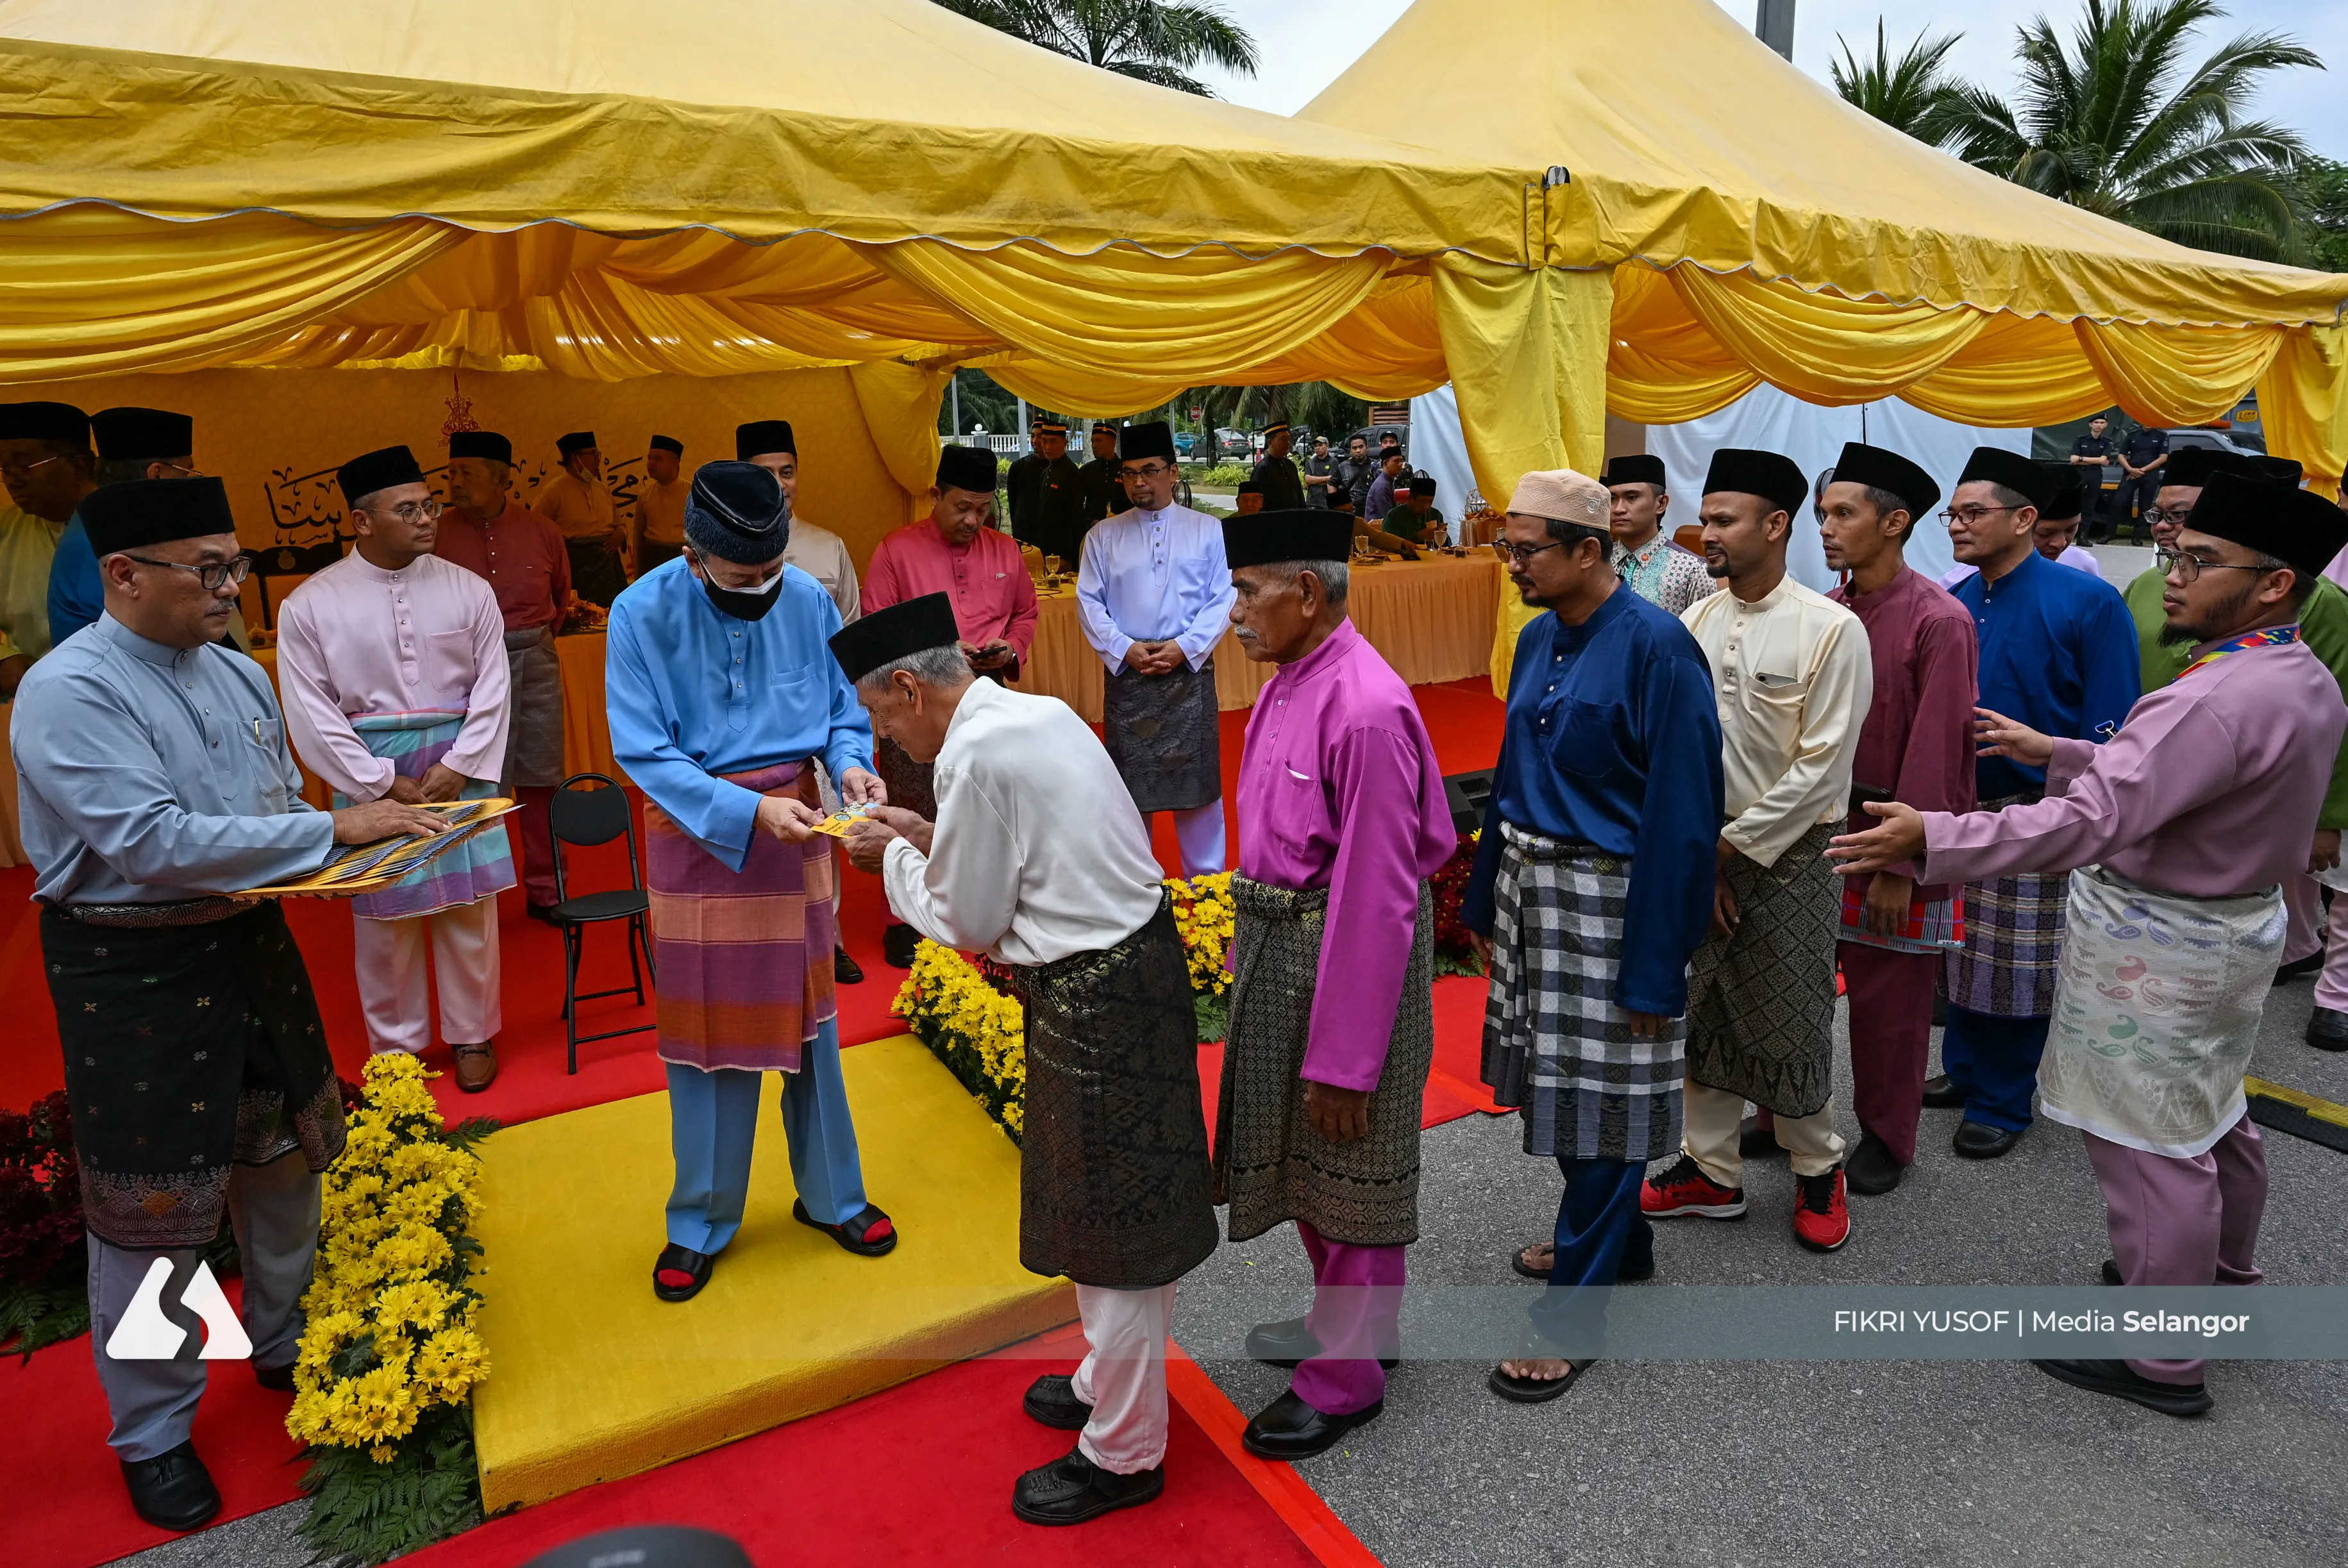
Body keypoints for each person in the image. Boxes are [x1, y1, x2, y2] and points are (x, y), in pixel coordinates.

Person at [1832, 469, 2348, 1418]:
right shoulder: (2293, 671)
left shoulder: (2211, 695)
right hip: (2228, 928)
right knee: (2208, 1117)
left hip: (2165, 937)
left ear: (2274, 582)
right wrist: (2059, 748)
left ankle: (2162, 1357)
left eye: (2198, 559)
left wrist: (1935, 835)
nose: (2173, 577)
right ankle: (2220, 1284)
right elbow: (2178, 778)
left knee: (2150, 1146)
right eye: (2173, 553)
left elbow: (2093, 820)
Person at [12, 476, 442, 1532]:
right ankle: (153, 1433)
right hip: (134, 973)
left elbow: (275, 810)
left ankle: (284, 1338)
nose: (229, 587)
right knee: (148, 1214)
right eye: (207, 569)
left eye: (234, 564)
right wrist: (334, 834)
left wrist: (351, 851)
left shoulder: (239, 673)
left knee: (281, 1160)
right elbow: (147, 842)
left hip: (249, 943)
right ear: (122, 577)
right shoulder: (70, 691)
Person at [836, 594, 1214, 1526]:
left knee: (1109, 1224)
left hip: (1094, 995)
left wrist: (884, 862)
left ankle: (1125, 1451)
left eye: (881, 716)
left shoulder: (972, 751)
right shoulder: (1027, 709)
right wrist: (923, 837)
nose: (884, 737)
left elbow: (967, 919)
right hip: (1130, 969)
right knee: (1115, 1210)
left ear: (909, 687)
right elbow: (1020, 859)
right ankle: (1106, 1380)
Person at [604, 460, 893, 1301]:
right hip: (696, 834)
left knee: (815, 1030)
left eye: (771, 569)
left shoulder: (805, 598)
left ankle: (833, 1196)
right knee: (706, 1043)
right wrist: (741, 812)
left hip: (797, 827)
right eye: (742, 575)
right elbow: (642, 750)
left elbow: (843, 714)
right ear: (693, 555)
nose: (763, 587)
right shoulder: (637, 613)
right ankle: (698, 1221)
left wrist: (851, 770)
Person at [1467, 469, 1722, 1401]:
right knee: (1561, 1083)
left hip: (1612, 902)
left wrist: (1656, 964)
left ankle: (1574, 1313)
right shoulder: (1538, 634)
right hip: (1533, 895)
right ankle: (1623, 1239)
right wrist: (1488, 894)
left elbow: (1685, 816)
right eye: (1507, 546)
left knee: (1606, 1104)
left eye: (1525, 548)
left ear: (1588, 551)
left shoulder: (1659, 648)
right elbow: (1511, 771)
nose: (1512, 564)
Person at [1213, 508, 1454, 1453]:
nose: (1232, 611)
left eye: (1246, 590)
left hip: (1345, 958)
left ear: (1305, 594)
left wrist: (1347, 1054)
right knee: (1304, 1156)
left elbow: (1379, 895)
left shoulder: (1365, 704)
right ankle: (1351, 1325)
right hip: (1284, 949)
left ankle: (1345, 1373)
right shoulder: (1287, 680)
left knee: (1349, 1160)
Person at [1644, 448, 1870, 1251]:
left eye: (1722, 520)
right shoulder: (1694, 622)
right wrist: (1694, 848)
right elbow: (1676, 746)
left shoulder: (1830, 629)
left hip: (1791, 855)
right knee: (1700, 1005)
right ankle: (1710, 1171)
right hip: (1705, 846)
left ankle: (1817, 1167)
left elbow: (1822, 768)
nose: (1704, 533)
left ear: (1774, 526)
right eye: (1704, 518)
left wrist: (1729, 852)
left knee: (1790, 1012)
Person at [279, 445, 514, 1092]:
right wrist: (380, 780)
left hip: (459, 766)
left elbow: (494, 685)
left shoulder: (470, 589)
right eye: (406, 509)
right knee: (386, 917)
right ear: (361, 521)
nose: (425, 519)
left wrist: (462, 763)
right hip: (371, 773)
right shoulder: (309, 605)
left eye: (429, 505)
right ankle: (396, 1051)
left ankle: (472, 1035)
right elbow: (310, 709)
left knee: (469, 910)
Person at [1933, 446, 2139, 1158]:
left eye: (1971, 512)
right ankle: (1961, 1069)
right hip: (1961, 807)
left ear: (2023, 519)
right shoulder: (1956, 599)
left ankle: (2002, 1097)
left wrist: (2070, 795)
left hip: (2037, 806)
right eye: (1950, 513)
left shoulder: (2087, 600)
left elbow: (2113, 723)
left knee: (2021, 962)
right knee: (1960, 945)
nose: (1954, 525)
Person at [2117, 451, 2347, 996]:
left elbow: (2336, 721)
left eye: (2186, 524)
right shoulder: (2151, 585)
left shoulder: (2321, 607)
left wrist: (2328, 817)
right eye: (2163, 519)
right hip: (2150, 777)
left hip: (2241, 807)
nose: (2172, 543)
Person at [1813, 442, 1975, 1195]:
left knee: (1890, 1006)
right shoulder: (1830, 610)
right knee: (1797, 982)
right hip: (1819, 827)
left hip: (1895, 831)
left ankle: (1887, 1134)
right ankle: (1787, 1110)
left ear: (1895, 521)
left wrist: (1901, 865)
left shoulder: (1938, 618)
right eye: (1821, 512)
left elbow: (1939, 749)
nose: (1825, 526)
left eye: (1843, 512)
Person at [862, 444, 1039, 965]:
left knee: (987, 803)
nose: (973, 519)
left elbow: (1026, 614)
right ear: (935, 495)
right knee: (915, 798)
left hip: (987, 696)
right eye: (962, 506)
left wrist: (1013, 648)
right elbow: (876, 627)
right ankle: (906, 916)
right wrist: (938, 653)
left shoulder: (1006, 550)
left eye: (984, 508)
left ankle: (986, 902)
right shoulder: (895, 550)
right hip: (915, 702)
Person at [1076, 421, 1234, 880]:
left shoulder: (1208, 531)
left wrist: (1186, 647)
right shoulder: (1103, 535)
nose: (1139, 483)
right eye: (1129, 473)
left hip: (1189, 675)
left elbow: (1224, 597)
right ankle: (1139, 895)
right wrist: (1124, 649)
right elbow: (1088, 603)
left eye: (1149, 471)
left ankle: (1209, 891)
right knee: (1131, 791)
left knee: (1199, 791)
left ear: (1173, 472)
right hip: (1130, 676)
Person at [739, 419, 866, 983]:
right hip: (750, 729)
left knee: (830, 822)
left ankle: (827, 935)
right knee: (763, 829)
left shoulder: (827, 546)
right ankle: (766, 943)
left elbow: (853, 632)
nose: (779, 484)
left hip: (822, 720)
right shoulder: (717, 555)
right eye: (765, 474)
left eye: (787, 472)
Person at [434, 430, 574, 923]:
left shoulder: (542, 531)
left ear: (502, 478)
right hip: (463, 670)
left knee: (542, 781)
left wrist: (522, 642)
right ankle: (481, 891)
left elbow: (560, 601)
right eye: (451, 473)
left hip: (534, 661)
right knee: (476, 782)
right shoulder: (435, 534)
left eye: (466, 473)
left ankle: (547, 890)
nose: (454, 483)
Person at [49, 406, 195, 650]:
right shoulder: (99, 541)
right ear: (156, 475)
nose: (189, 485)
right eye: (186, 472)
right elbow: (163, 625)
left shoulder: (102, 523)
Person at [0, 400, 92, 696]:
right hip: (36, 697)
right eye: (4, 468)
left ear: (79, 467)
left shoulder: (128, 528)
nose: (11, 480)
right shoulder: (5, 530)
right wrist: (2, 657)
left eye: (25, 465)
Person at [1603, 455, 1711, 616]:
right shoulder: (1596, 562)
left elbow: (1703, 636)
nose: (1618, 509)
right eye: (1612, 499)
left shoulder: (1693, 571)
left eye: (1632, 498)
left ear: (1661, 504)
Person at [537, 431, 626, 607]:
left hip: (607, 567)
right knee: (580, 617)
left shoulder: (603, 490)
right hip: (575, 568)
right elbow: (537, 529)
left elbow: (620, 525)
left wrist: (620, 535)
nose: (598, 459)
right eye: (593, 454)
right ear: (575, 458)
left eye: (598, 454)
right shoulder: (554, 491)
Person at [632, 435, 689, 575]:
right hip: (652, 560)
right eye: (649, 458)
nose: (650, 463)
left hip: (682, 559)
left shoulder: (692, 493)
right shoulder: (645, 495)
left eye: (657, 459)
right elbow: (638, 537)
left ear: (676, 463)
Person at [2110, 421, 2170, 546]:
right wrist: (2131, 470)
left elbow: (2163, 458)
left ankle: (2137, 537)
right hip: (2130, 473)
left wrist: (2142, 470)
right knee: (2118, 502)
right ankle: (2109, 534)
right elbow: (2121, 455)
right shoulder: (2133, 435)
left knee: (2145, 506)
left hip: (2149, 474)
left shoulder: (2161, 436)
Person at [2068, 415, 2115, 542]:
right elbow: (2073, 461)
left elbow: (2104, 461)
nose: (2099, 425)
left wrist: (2082, 459)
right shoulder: (2081, 440)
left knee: (2090, 506)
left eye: (2102, 423)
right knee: (2075, 504)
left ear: (2106, 425)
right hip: (2080, 474)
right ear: (2090, 424)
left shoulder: (2107, 442)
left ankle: (2083, 537)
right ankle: (2070, 533)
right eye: (2096, 422)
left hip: (2095, 475)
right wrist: (2095, 460)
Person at [1078, 422, 1127, 526]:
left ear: (1112, 443)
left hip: (1124, 528)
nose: (1094, 446)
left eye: (1099, 441)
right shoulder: (1086, 471)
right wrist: (1090, 521)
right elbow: (1076, 505)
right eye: (1092, 442)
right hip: (1093, 531)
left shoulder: (1126, 469)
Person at [1249, 422, 1306, 511]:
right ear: (1270, 443)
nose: (1287, 443)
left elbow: (1300, 498)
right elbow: (1259, 505)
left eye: (1288, 439)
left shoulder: (1290, 465)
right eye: (1283, 439)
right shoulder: (1262, 470)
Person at [1380, 476, 1445, 547]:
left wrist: (1441, 537)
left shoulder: (1436, 515)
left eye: (1430, 502)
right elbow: (1387, 544)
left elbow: (1447, 546)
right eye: (1422, 502)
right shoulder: (1394, 516)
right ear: (1410, 498)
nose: (1426, 507)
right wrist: (1417, 537)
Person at [1337, 434, 1377, 515]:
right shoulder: (1343, 466)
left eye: (1361, 447)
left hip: (1372, 511)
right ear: (1350, 451)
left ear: (1367, 448)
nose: (1358, 451)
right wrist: (1337, 506)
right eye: (1354, 448)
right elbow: (1331, 484)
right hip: (1351, 513)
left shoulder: (1376, 466)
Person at [1365, 448, 1408, 522]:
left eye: (1401, 461)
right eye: (1396, 461)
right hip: (1376, 530)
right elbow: (1388, 517)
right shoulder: (1382, 486)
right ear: (1385, 464)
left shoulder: (1387, 482)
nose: (1400, 464)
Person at [1302, 433, 1337, 509]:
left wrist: (1313, 481)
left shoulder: (1333, 462)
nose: (1317, 448)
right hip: (1311, 503)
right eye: (1316, 446)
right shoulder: (1310, 462)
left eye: (1320, 445)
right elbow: (1307, 480)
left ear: (1327, 446)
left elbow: (1332, 480)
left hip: (1327, 503)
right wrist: (1326, 479)